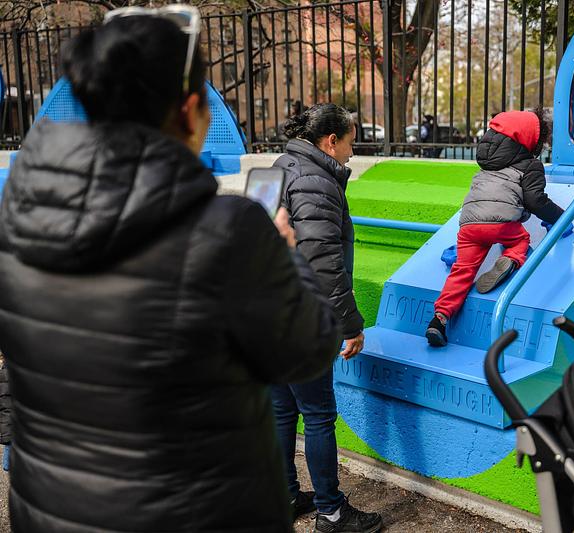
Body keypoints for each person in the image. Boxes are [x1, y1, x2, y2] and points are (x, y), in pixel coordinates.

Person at [0, 8, 341, 532]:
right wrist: (285, 252)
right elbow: (308, 349)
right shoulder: (227, 230)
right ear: (189, 110)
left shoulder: (21, 220)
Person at [271, 103, 382, 533]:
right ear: (331, 141)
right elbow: (323, 264)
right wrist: (351, 325)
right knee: (317, 415)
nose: (352, 153)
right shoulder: (317, 180)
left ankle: (284, 497)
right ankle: (332, 514)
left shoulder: (281, 167)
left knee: (282, 411)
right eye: (351, 143)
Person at [426, 110, 572, 347]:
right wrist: (561, 218)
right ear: (530, 140)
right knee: (520, 240)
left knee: (462, 270)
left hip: (469, 224)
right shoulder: (530, 165)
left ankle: (439, 319)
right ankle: (510, 260)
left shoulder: (486, 165)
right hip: (501, 224)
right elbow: (536, 200)